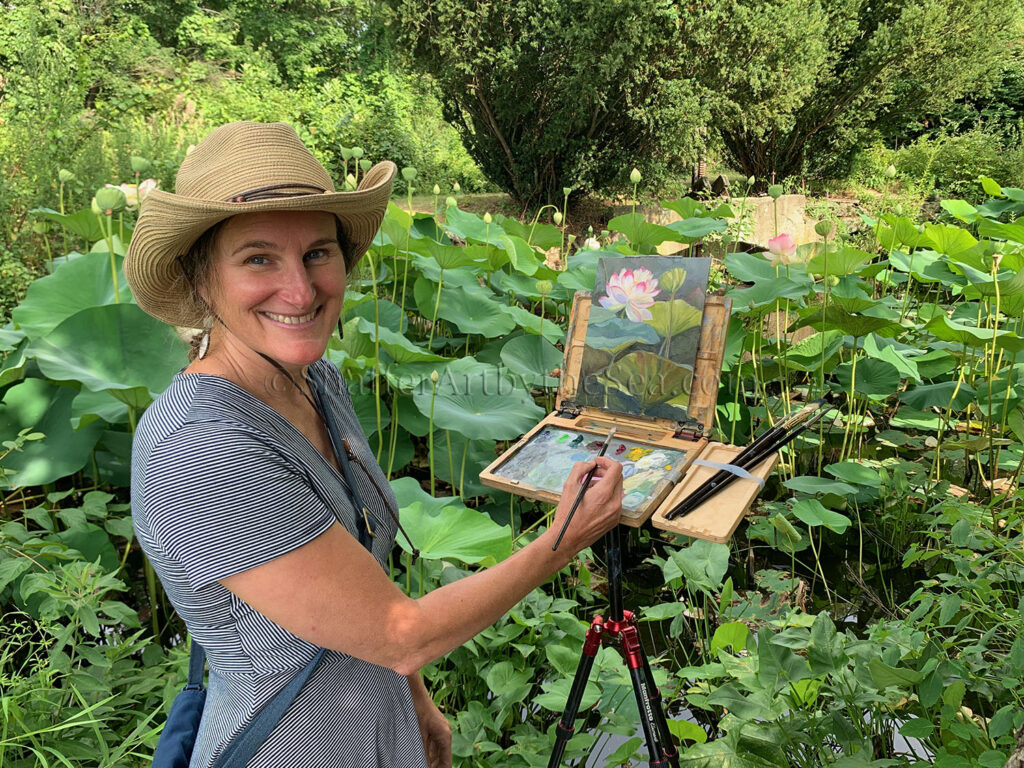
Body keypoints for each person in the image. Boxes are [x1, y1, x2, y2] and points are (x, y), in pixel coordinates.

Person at [125, 121, 623, 768]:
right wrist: (563, 540)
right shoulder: (197, 448)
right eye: (258, 259)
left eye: (317, 254)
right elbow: (398, 632)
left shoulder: (315, 380)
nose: (301, 291)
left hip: (379, 730)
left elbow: (360, 572)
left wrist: (415, 700)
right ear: (200, 278)